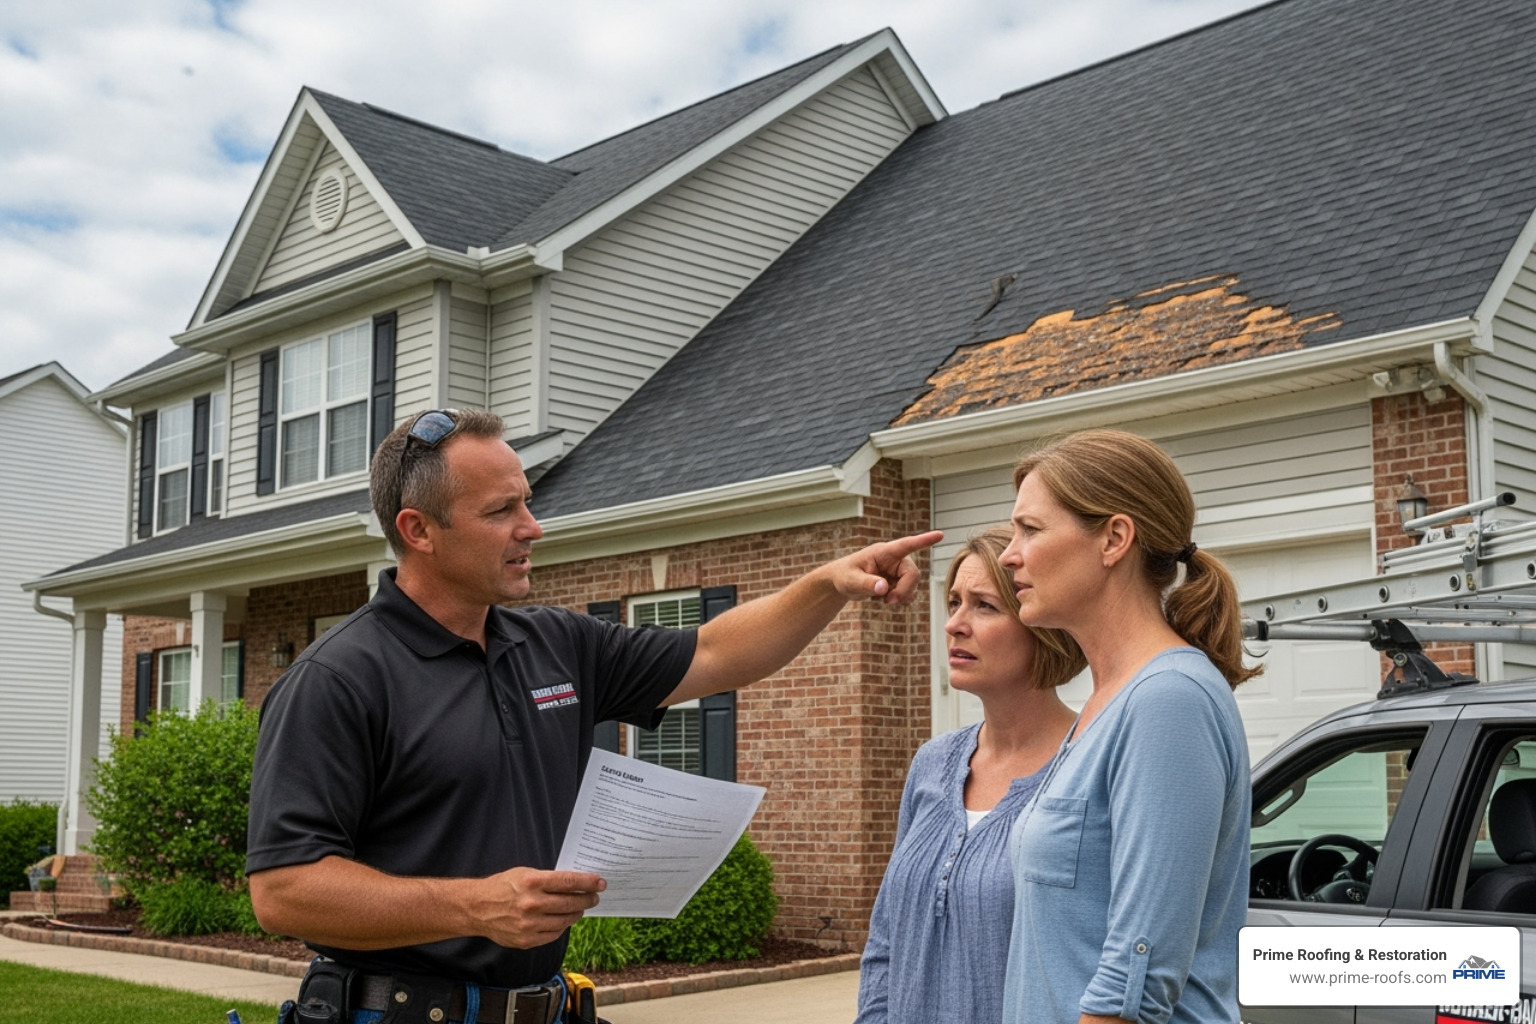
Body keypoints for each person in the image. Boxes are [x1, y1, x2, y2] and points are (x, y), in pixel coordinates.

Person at [246, 408, 940, 1024]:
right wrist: (471, 905)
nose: (532, 527)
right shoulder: (337, 679)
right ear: (418, 530)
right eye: (500, 512)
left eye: (527, 501)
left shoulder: (556, 645)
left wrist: (829, 583)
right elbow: (284, 891)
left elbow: (717, 653)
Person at [999, 429, 1256, 1024]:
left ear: (1114, 538)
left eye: (1030, 529)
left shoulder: (1168, 702)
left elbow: (1131, 988)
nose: (1011, 552)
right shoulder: (1107, 701)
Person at [854, 527, 1084, 1024]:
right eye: (954, 602)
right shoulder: (932, 764)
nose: (955, 625)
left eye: (984, 606)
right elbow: (886, 941)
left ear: (1042, 624)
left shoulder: (1088, 766)